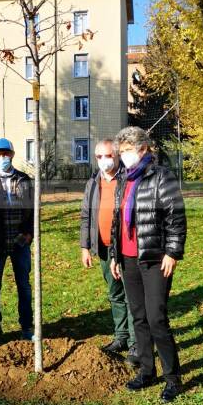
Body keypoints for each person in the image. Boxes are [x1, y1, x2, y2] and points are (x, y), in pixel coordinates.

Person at [109, 127, 186, 402]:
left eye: (127, 151)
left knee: (156, 318)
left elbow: (175, 218)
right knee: (138, 317)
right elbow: (117, 221)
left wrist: (173, 252)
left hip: (154, 258)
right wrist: (115, 256)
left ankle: (172, 378)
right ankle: (146, 370)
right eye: (121, 152)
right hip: (128, 258)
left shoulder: (161, 176)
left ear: (143, 149)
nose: (123, 156)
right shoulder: (123, 179)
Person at [80, 138, 138, 366]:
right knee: (115, 294)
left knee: (132, 295)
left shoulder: (128, 179)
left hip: (124, 249)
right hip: (102, 248)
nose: (103, 160)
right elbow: (86, 216)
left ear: (116, 155)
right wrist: (85, 246)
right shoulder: (93, 183)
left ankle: (136, 343)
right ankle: (121, 336)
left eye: (108, 155)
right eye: (98, 156)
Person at [0, 138, 34, 350]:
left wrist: (29, 233)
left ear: (11, 155)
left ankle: (27, 327)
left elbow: (33, 208)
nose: (1, 157)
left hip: (20, 241)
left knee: (24, 286)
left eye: (5, 153)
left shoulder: (24, 179)